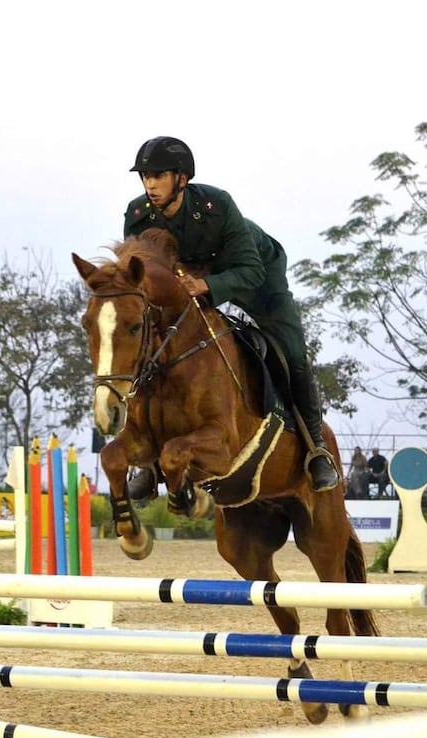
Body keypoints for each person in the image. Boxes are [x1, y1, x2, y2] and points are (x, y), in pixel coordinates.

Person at [124, 136, 340, 497]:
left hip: (258, 280)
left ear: (182, 178)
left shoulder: (217, 206)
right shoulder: (137, 214)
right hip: (192, 287)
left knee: (294, 353)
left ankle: (316, 450)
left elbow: (251, 271)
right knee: (151, 346)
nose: (150, 184)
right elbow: (140, 278)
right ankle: (144, 460)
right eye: (145, 176)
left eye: (158, 176)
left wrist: (205, 285)